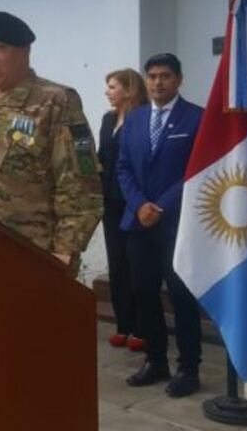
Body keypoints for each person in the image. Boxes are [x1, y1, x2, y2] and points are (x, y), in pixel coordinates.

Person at [0, 11, 102, 267]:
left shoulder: (57, 101)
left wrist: (66, 251)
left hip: (31, 253)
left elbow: (81, 180)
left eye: (0, 48)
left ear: (25, 52)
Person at [117, 53, 204, 398]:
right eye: (151, 76)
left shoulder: (197, 119)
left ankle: (189, 367)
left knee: (182, 297)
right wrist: (139, 205)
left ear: (179, 79)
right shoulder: (135, 119)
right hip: (139, 224)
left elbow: (198, 170)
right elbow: (122, 167)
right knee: (144, 293)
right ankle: (156, 361)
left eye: (165, 76)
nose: (157, 83)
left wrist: (161, 206)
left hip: (177, 225)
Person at [99, 68, 148, 352]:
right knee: (117, 264)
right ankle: (123, 324)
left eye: (112, 86)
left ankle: (142, 327)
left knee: (136, 265)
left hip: (134, 201)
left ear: (129, 88)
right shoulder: (107, 119)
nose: (107, 92)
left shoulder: (142, 117)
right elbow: (103, 155)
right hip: (110, 201)